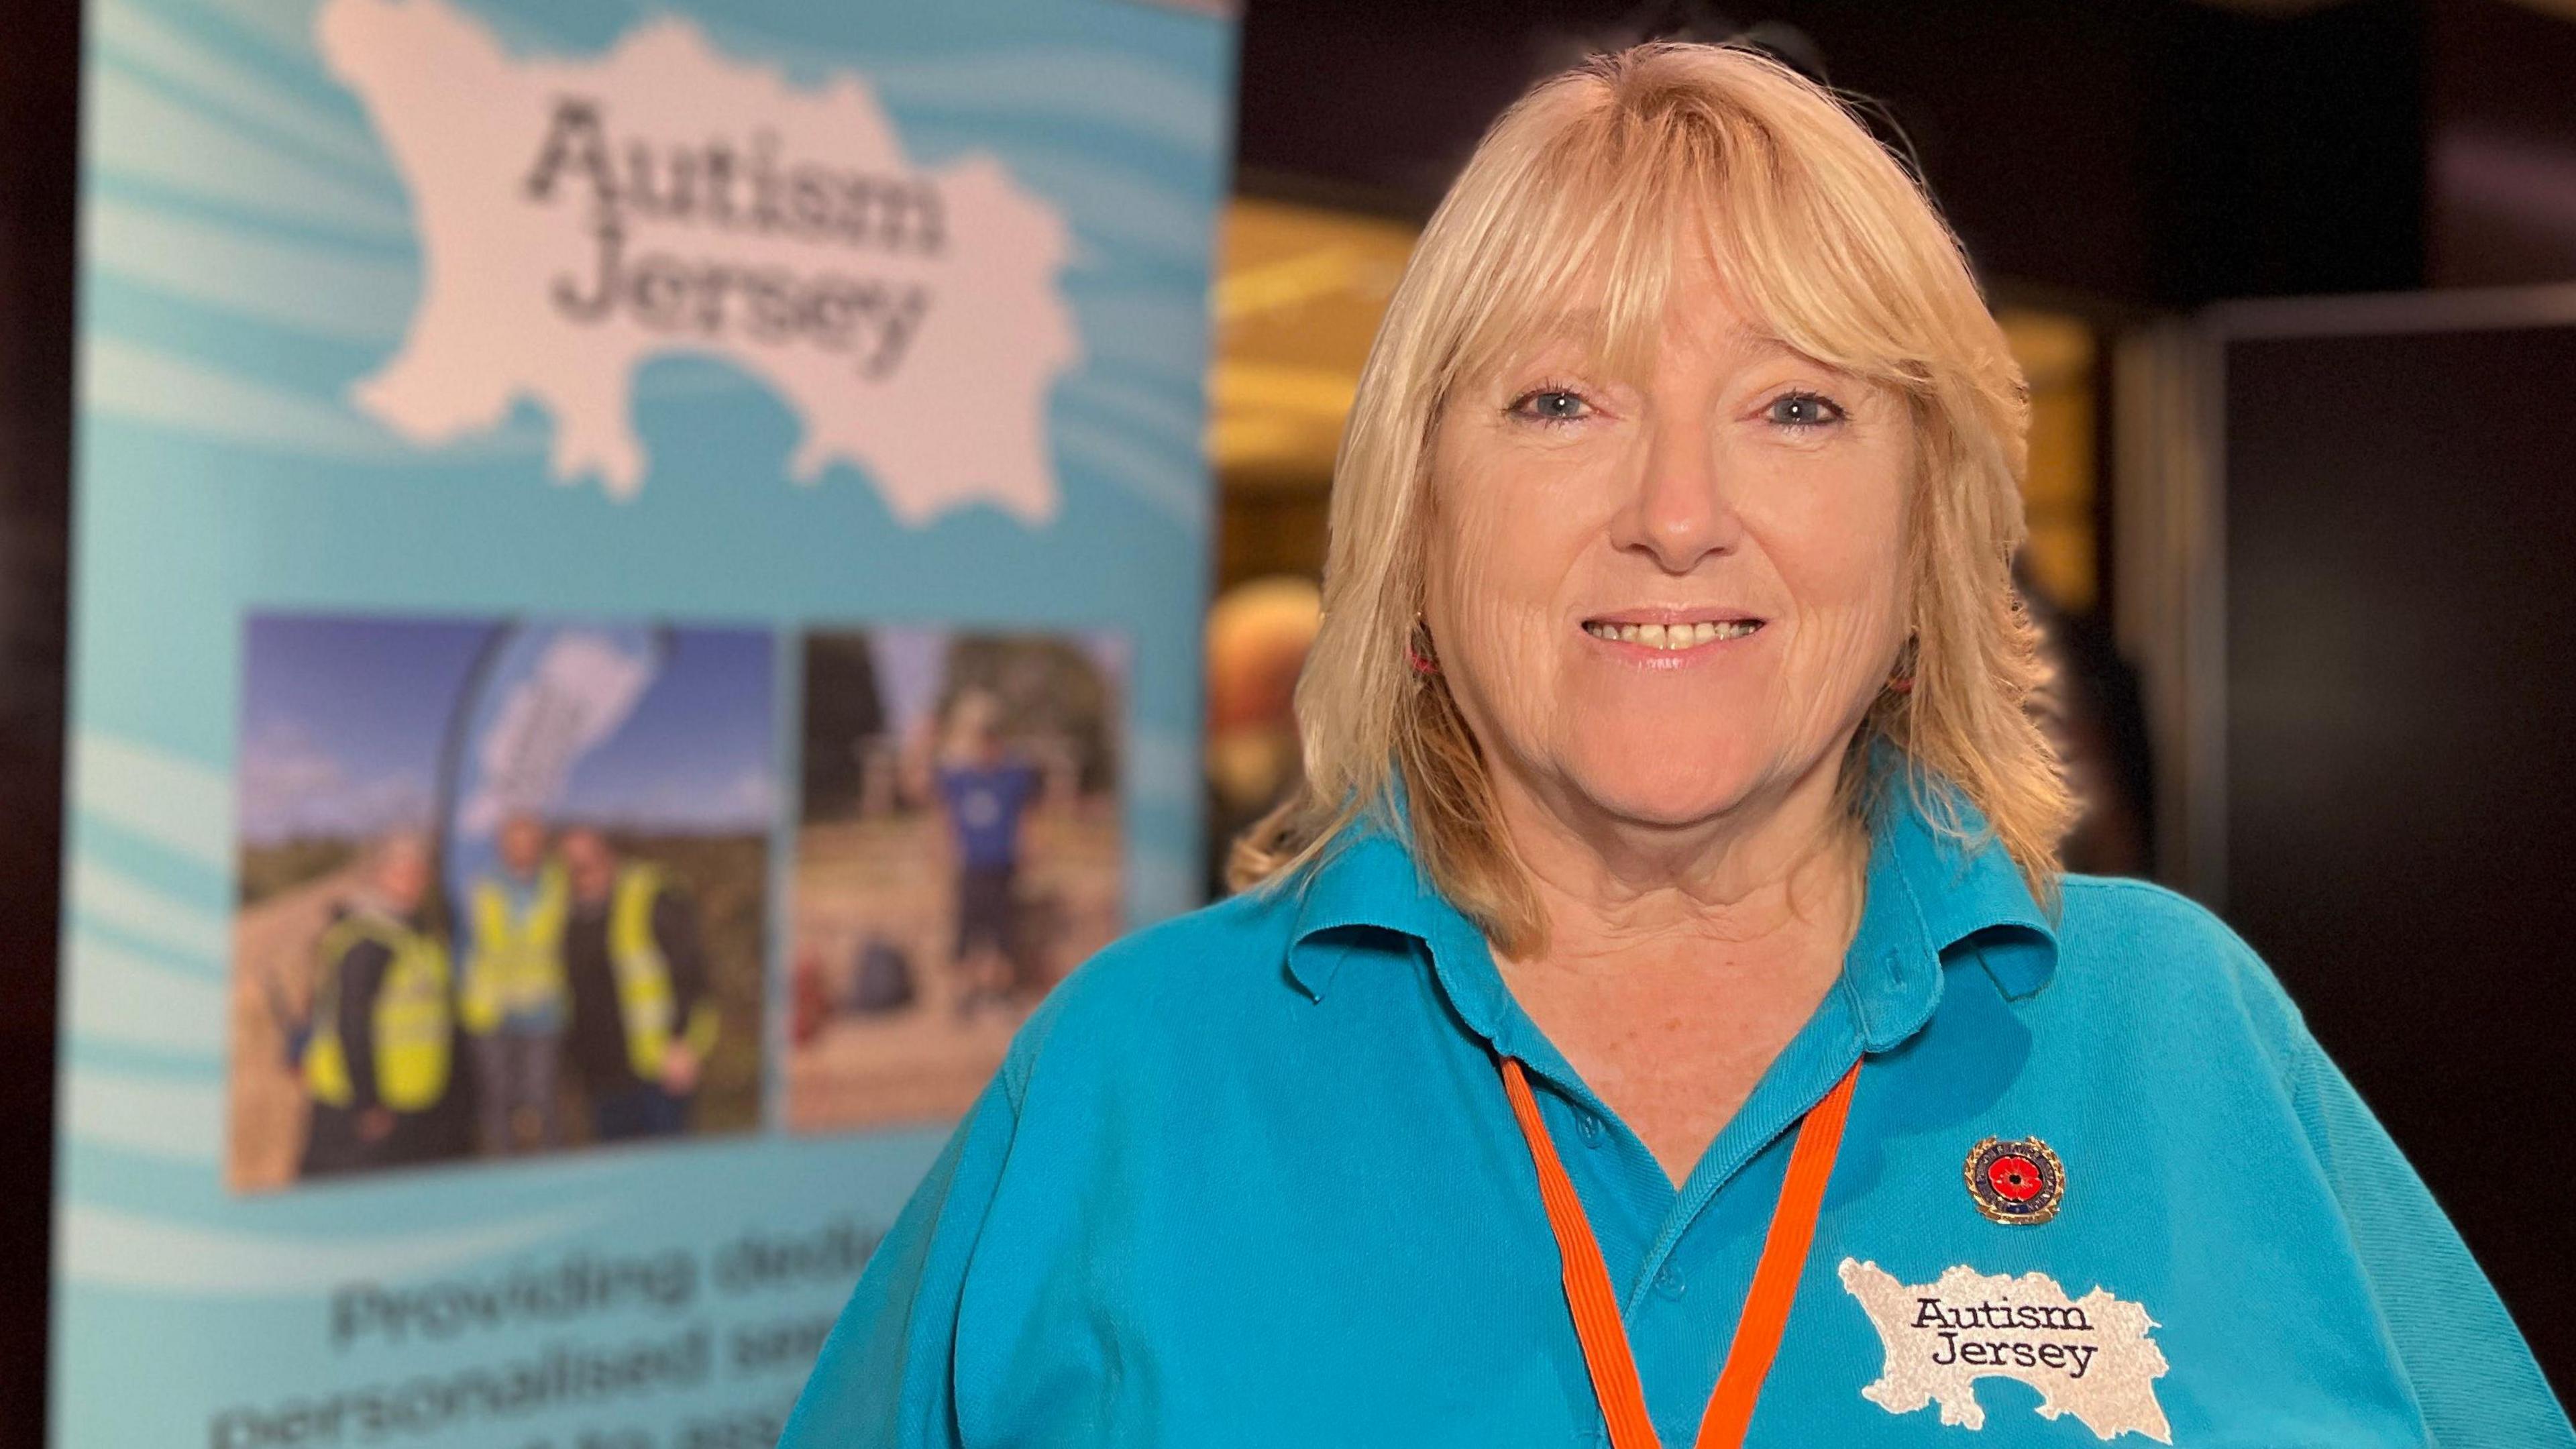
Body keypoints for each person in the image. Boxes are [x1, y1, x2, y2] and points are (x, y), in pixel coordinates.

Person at [783, 43, 2572, 1448]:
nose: (1677, 512)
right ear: (1417, 520)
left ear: (1926, 539)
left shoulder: (2185, 1038)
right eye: (1561, 402)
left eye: (1797, 407)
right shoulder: (1134, 1079)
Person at [299, 831, 451, 1179]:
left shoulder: (411, 931)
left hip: (403, 1096)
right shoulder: (370, 939)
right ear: (379, 875)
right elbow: (352, 1023)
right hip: (362, 1107)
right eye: (401, 871)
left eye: (419, 872)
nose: (412, 881)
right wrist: (368, 1104)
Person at [557, 826, 716, 1142]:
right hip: (602, 1076)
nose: (584, 873)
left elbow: (691, 973)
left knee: (667, 1174)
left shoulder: (651, 895)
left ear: (610, 857)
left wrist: (683, 1044)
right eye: (574, 867)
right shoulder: (566, 912)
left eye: (591, 862)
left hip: (658, 1068)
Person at [458, 810, 569, 1153]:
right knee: (497, 1100)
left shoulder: (559, 883)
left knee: (543, 1097)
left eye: (529, 842)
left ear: (540, 844)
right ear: (501, 846)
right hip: (492, 1011)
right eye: (514, 842)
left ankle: (552, 1174)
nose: (522, 849)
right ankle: (502, 1179)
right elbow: (471, 944)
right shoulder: (481, 886)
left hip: (542, 1009)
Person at [929, 689, 1044, 1016]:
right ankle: (965, 994)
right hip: (971, 866)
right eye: (978, 736)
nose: (985, 744)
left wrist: (1029, 846)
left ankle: (1001, 990)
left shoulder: (1013, 775)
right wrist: (942, 849)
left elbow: (1025, 817)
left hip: (1003, 864)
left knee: (1004, 931)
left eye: (989, 735)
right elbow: (943, 814)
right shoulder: (957, 776)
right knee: (966, 931)